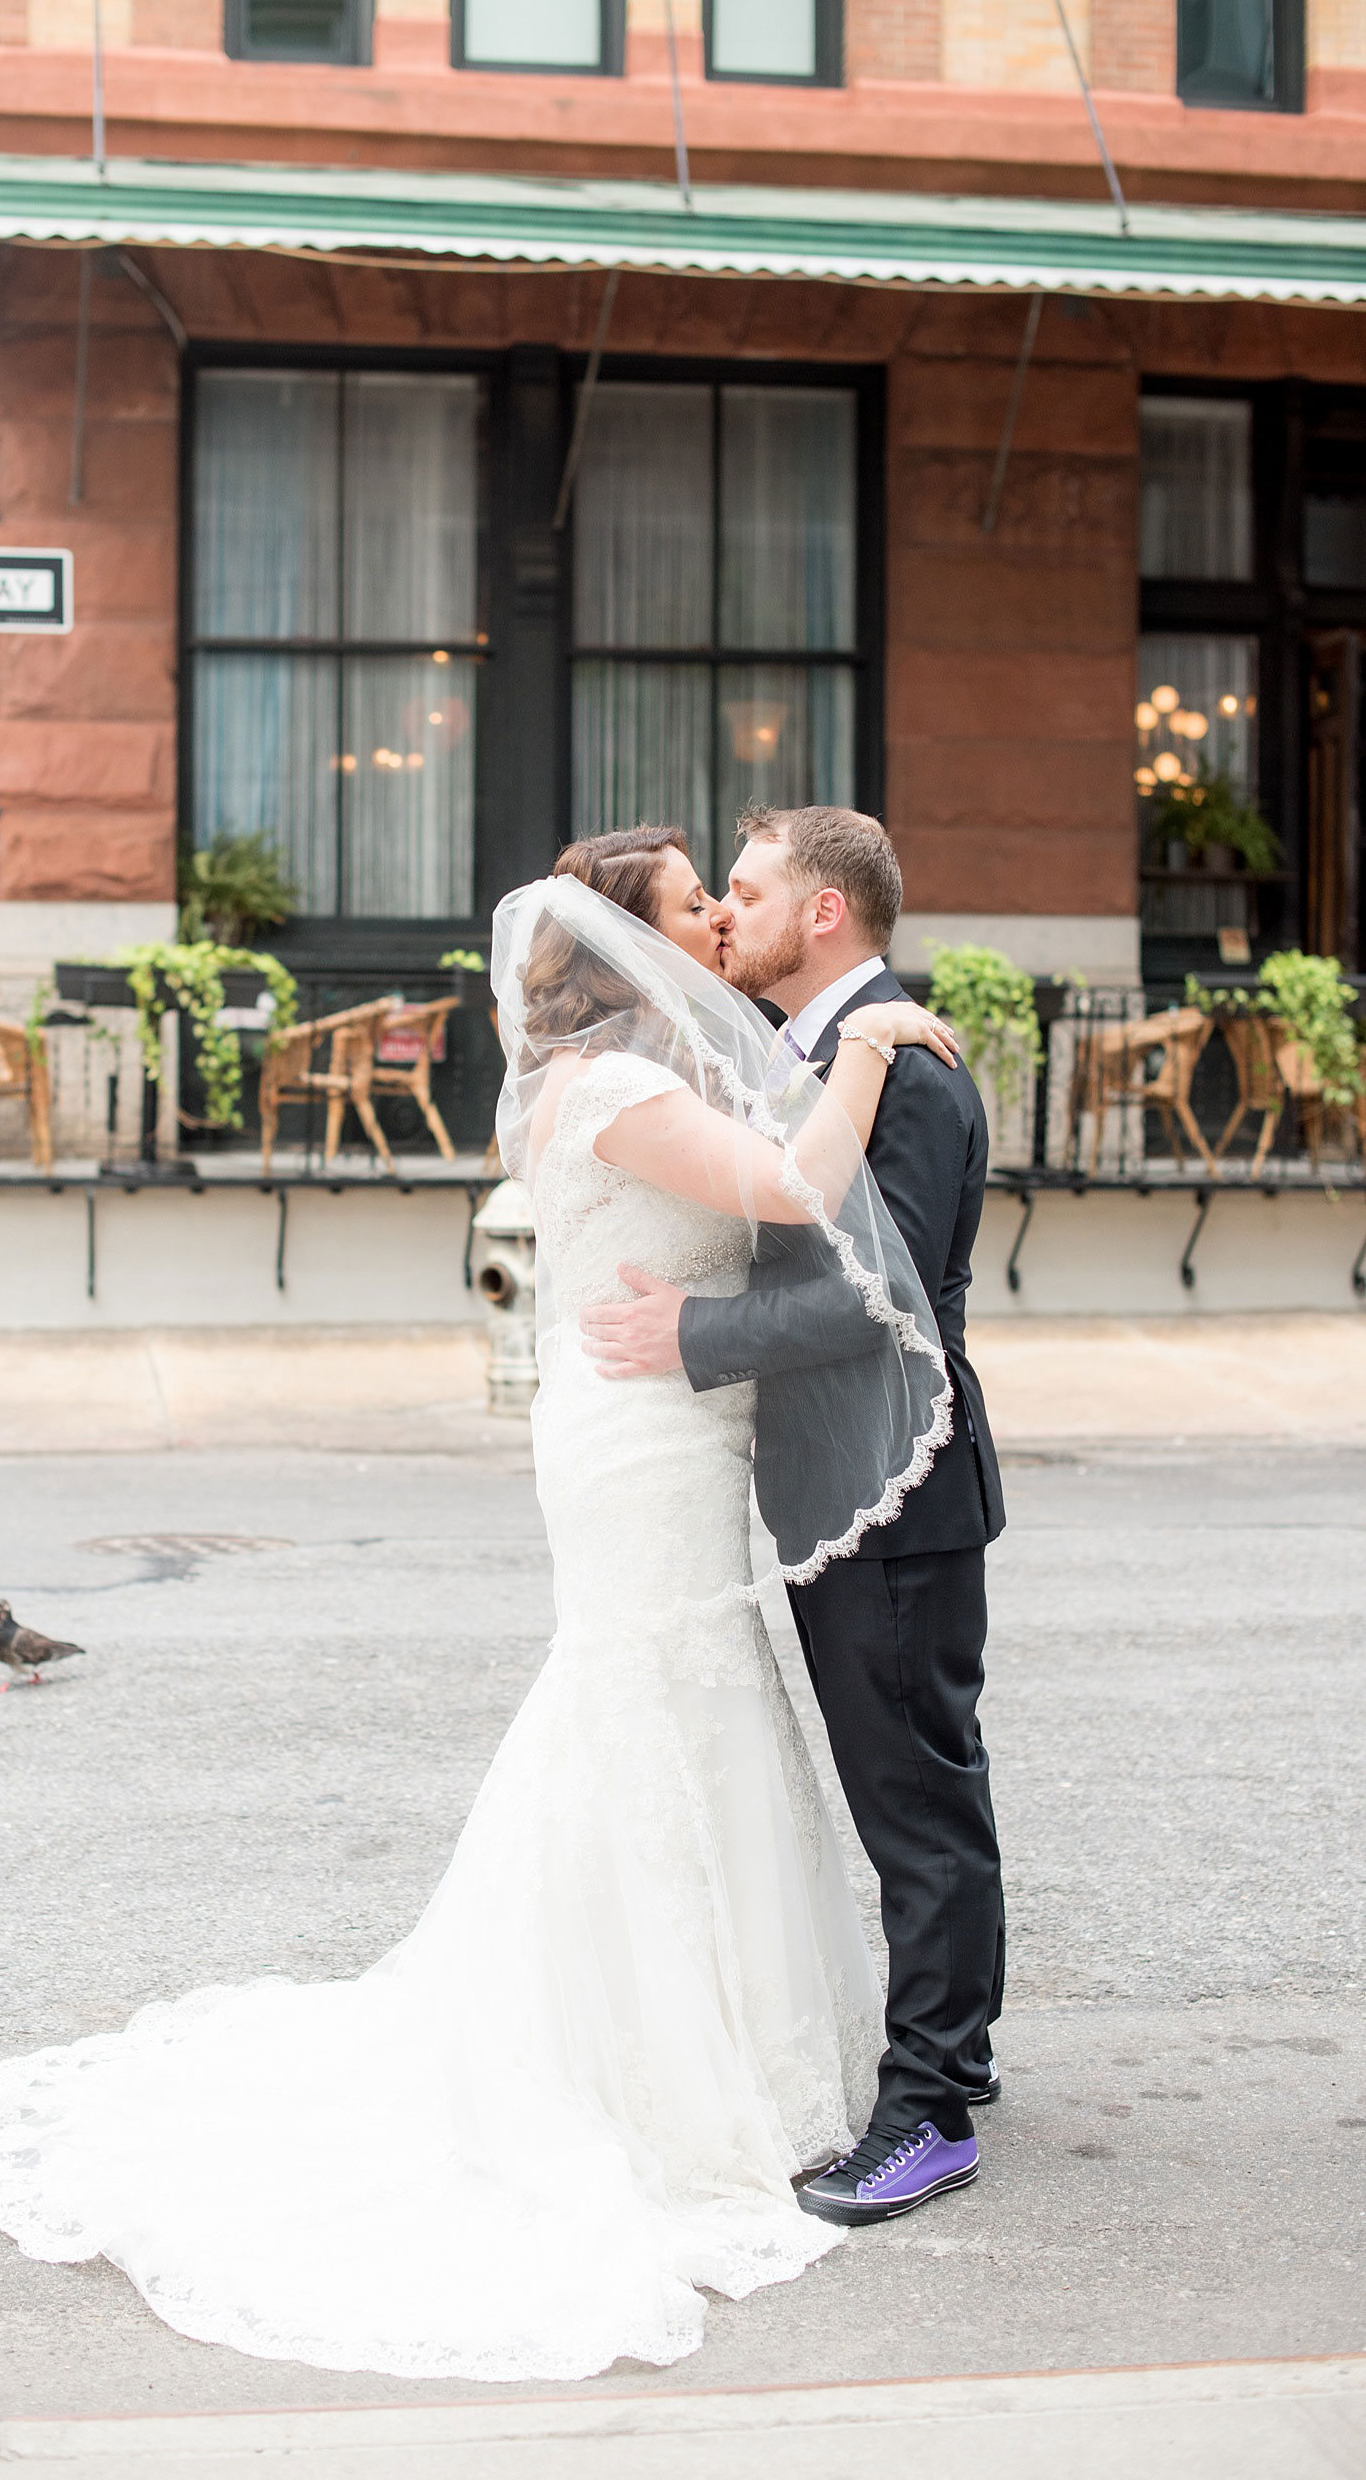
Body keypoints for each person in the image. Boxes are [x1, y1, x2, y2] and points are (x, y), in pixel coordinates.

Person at [0, 825, 958, 2379]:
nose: (714, 923)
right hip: (640, 1441)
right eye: (695, 904)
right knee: (645, 1710)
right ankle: (635, 2065)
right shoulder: (609, 1086)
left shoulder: (625, 1067)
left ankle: (727, 2044)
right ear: (630, 943)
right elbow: (792, 1179)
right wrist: (874, 1043)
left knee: (684, 1707)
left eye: (724, 897)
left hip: (664, 1435)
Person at [582, 805, 1006, 2228]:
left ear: (822, 914)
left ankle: (931, 2106)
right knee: (922, 1781)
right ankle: (963, 2049)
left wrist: (696, 1331)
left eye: (747, 892)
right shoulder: (813, 1054)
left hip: (898, 1493)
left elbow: (872, 1297)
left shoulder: (910, 1067)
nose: (728, 917)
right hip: (844, 1493)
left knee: (915, 1802)